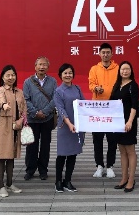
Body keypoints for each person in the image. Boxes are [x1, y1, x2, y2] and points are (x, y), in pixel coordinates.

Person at [22, 56, 57, 181]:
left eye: (44, 65)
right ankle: (30, 170)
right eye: (40, 65)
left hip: (47, 118)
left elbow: (55, 99)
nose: (42, 67)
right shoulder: (28, 82)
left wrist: (45, 112)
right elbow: (26, 100)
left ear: (48, 67)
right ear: (35, 67)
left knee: (45, 145)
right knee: (31, 145)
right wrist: (36, 112)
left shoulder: (53, 81)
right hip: (32, 119)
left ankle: (43, 170)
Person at [0, 65, 27, 197]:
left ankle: (9, 183)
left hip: (16, 127)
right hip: (4, 126)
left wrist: (21, 121)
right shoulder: (0, 90)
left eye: (13, 75)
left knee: (11, 156)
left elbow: (24, 109)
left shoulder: (19, 92)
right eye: (7, 75)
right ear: (2, 77)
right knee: (2, 156)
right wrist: (4, 105)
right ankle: (1, 186)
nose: (10, 77)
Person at [88, 42, 119, 178]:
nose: (105, 55)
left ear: (112, 54)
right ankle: (99, 165)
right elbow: (91, 84)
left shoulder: (118, 68)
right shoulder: (94, 69)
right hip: (98, 109)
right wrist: (96, 88)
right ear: (99, 54)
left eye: (108, 52)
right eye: (103, 52)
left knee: (112, 139)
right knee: (97, 139)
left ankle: (110, 166)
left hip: (113, 108)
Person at [53, 63, 85, 193]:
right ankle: (58, 181)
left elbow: (84, 105)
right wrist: (69, 123)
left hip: (77, 126)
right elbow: (61, 110)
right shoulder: (58, 91)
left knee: (73, 154)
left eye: (70, 73)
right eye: (65, 73)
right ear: (60, 75)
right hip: (65, 127)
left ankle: (68, 181)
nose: (68, 75)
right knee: (62, 154)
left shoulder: (77, 88)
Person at [110, 61, 139, 192]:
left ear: (131, 71)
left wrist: (130, 121)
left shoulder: (133, 85)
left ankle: (131, 180)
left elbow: (134, 105)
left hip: (128, 122)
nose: (125, 71)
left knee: (130, 151)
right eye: (122, 69)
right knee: (122, 151)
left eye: (127, 69)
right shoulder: (117, 84)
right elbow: (111, 103)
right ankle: (124, 178)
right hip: (117, 122)